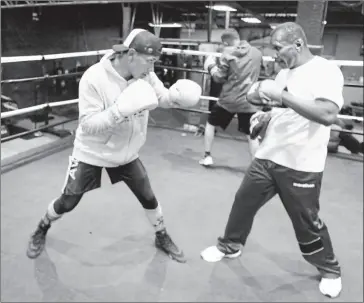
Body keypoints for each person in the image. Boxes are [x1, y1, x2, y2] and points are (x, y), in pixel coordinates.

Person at [26, 29, 202, 263]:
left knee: (148, 197)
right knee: (68, 201)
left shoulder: (146, 75)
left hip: (126, 153)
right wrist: (119, 112)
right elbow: (87, 125)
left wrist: (177, 96)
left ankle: (161, 235)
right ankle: (42, 227)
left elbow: (161, 98)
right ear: (130, 54)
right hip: (92, 152)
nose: (152, 68)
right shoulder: (94, 78)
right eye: (149, 61)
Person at [200, 22, 344, 298]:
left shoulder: (325, 71)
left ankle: (330, 269)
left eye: (279, 49)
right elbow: (284, 109)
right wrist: (266, 116)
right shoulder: (285, 73)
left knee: (306, 222)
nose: (275, 56)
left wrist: (281, 96)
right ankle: (230, 245)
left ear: (298, 44)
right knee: (243, 203)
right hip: (268, 156)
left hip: (300, 164)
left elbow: (327, 115)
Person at [199, 29, 263, 166]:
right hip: (249, 100)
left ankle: (207, 156)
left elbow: (219, 78)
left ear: (225, 42)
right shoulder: (257, 53)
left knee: (210, 123)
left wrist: (210, 66)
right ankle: (256, 167)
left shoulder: (227, 54)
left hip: (229, 100)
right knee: (251, 134)